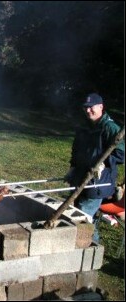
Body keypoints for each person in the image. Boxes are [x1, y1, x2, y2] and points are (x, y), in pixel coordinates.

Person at [65, 93, 124, 242]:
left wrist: (103, 163)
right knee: (77, 213)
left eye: (92, 107)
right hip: (79, 178)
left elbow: (122, 153)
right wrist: (72, 167)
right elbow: (76, 149)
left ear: (101, 107)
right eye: (86, 108)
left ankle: (91, 247)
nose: (88, 110)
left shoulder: (109, 128)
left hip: (97, 183)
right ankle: (88, 245)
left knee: (82, 218)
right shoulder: (84, 126)